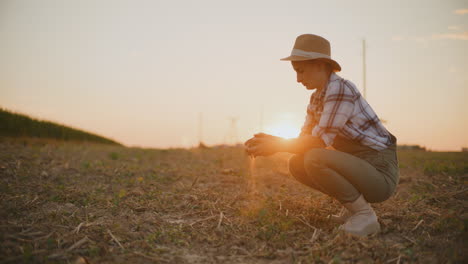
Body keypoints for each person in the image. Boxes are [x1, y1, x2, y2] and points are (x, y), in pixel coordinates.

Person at [244, 34, 399, 236]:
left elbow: (317, 142)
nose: (298, 79)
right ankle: (352, 209)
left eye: (300, 71)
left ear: (319, 65)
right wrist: (272, 140)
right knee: (297, 163)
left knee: (314, 158)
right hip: (360, 166)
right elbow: (304, 139)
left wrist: (276, 146)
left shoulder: (340, 88)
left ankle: (365, 215)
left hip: (379, 172)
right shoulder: (317, 97)